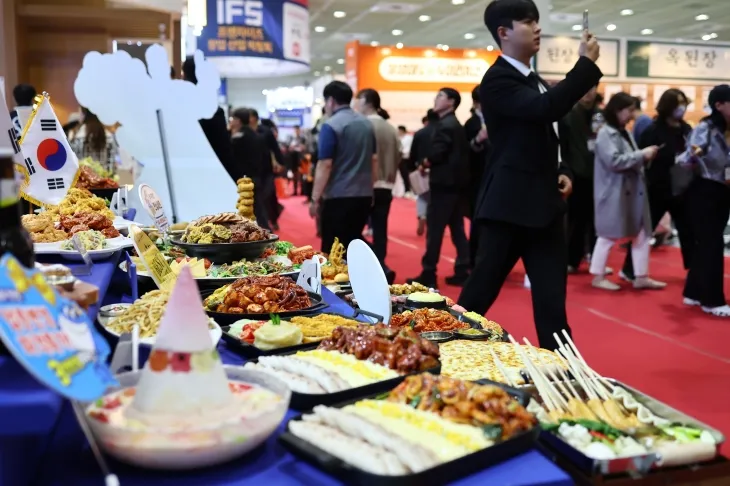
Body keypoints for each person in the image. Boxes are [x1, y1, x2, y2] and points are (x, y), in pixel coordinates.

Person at [457, 0, 602, 349]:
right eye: (527, 22)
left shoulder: (531, 79)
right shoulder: (497, 80)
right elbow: (544, 109)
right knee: (478, 296)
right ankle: (440, 351)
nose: (537, 28)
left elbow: (546, 133)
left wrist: (562, 169)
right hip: (508, 206)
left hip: (544, 205)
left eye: (536, 20)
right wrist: (585, 65)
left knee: (552, 305)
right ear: (503, 32)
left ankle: (563, 369)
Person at [589, 92, 665, 291]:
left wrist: (644, 155)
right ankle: (597, 276)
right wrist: (642, 154)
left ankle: (640, 276)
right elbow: (614, 161)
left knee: (641, 234)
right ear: (617, 110)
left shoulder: (623, 131)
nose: (632, 114)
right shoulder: (606, 133)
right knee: (607, 236)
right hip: (613, 192)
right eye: (629, 110)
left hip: (629, 191)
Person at [620, 89, 694, 281]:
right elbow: (640, 157)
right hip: (657, 188)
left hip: (682, 188)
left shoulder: (686, 130)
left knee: (688, 231)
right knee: (644, 231)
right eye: (678, 103)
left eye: (683, 103)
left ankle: (695, 271)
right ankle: (629, 269)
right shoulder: (653, 130)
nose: (682, 108)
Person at [407, 88, 471, 288]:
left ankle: (429, 272)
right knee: (457, 230)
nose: (436, 99)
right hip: (455, 186)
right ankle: (463, 269)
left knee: (435, 231)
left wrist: (425, 163)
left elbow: (438, 153)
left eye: (440, 96)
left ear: (451, 102)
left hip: (443, 185)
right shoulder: (455, 124)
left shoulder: (445, 125)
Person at [677, 84, 730, 317]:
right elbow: (685, 159)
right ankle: (712, 300)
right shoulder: (705, 128)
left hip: (723, 190)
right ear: (719, 105)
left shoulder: (728, 129)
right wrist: (695, 153)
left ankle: (693, 292)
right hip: (704, 190)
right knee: (712, 244)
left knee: (707, 243)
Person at [310, 81, 376, 253]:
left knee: (333, 249)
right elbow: (373, 160)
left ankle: (380, 266)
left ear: (331, 101)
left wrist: (315, 198)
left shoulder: (331, 125)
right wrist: (371, 189)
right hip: (363, 195)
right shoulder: (367, 124)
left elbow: (325, 164)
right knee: (353, 242)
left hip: (338, 196)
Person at [355, 88, 401, 283]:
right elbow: (399, 155)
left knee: (353, 230)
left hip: (365, 185)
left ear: (366, 101)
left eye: (358, 99)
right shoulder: (390, 128)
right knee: (380, 229)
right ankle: (381, 266)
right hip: (386, 185)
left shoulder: (363, 125)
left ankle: (376, 265)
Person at [563, 84, 603, 272]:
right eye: (586, 87)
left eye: (593, 88)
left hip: (598, 174)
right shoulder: (568, 113)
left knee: (596, 220)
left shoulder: (600, 115)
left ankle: (595, 259)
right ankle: (571, 260)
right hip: (575, 173)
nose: (589, 92)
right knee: (575, 220)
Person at [182, 56, 237, 184]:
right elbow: (223, 151)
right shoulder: (214, 111)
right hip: (209, 175)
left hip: (183, 173)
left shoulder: (176, 107)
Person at [229, 108, 270, 228]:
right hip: (257, 177)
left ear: (238, 120)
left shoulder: (238, 137)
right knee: (258, 209)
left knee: (249, 211)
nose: (231, 121)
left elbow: (233, 159)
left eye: (233, 118)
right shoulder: (256, 135)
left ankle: (265, 233)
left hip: (244, 179)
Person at [464, 86, 490, 268]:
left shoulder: (497, 119)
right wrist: (478, 140)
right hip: (476, 179)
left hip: (494, 177)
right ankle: (474, 261)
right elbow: (466, 152)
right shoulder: (471, 123)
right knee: (477, 221)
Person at [410, 110, 439, 236]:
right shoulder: (442, 131)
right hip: (438, 169)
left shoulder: (420, 133)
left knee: (422, 196)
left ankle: (422, 216)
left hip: (421, 168)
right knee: (436, 198)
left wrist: (413, 167)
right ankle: (434, 222)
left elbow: (413, 153)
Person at [68, 108, 120, 175]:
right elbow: (112, 162)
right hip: (103, 178)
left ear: (84, 114)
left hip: (83, 178)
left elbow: (71, 161)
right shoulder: (108, 135)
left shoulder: (76, 134)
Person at [397, 125, 413, 194]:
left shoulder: (409, 138)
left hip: (408, 158)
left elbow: (409, 148)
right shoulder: (399, 138)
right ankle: (406, 189)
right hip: (401, 159)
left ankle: (409, 189)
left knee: (408, 174)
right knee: (403, 175)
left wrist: (403, 152)